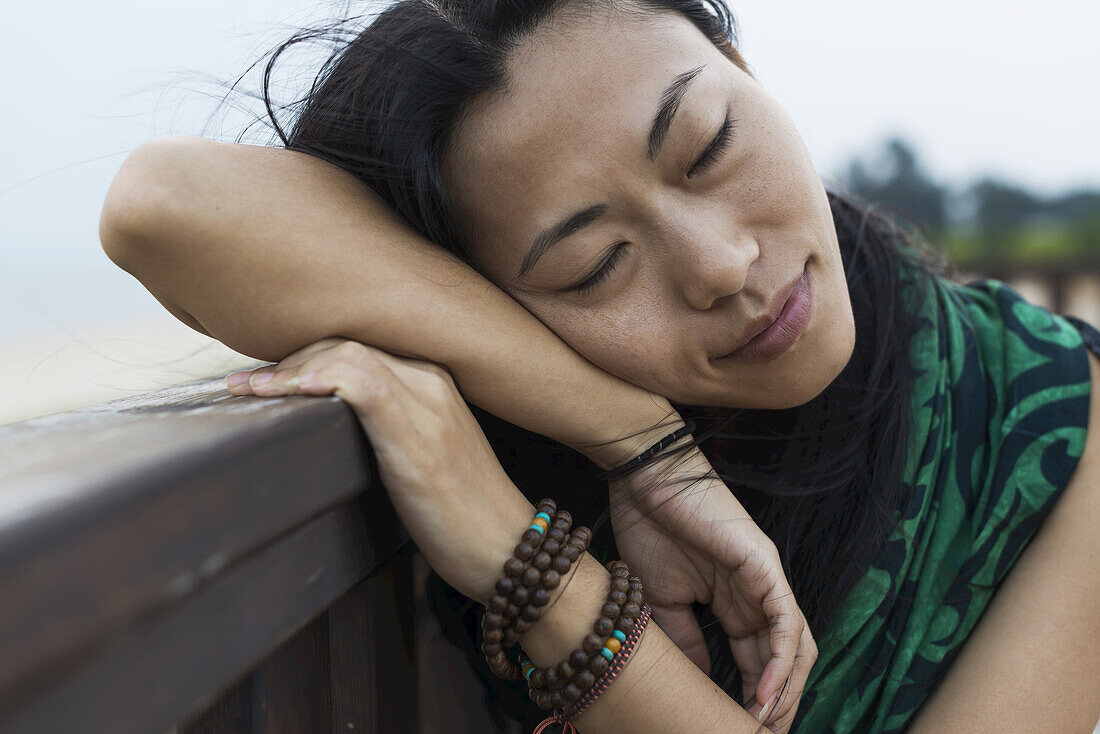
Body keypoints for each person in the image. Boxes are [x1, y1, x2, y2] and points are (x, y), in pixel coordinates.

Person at [97, 0, 1100, 731]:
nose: (719, 265)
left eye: (707, 144)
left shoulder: (1059, 413)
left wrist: (532, 570)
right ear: (479, 302)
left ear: (739, 68)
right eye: (593, 265)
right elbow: (162, 205)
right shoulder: (540, 437)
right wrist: (638, 439)